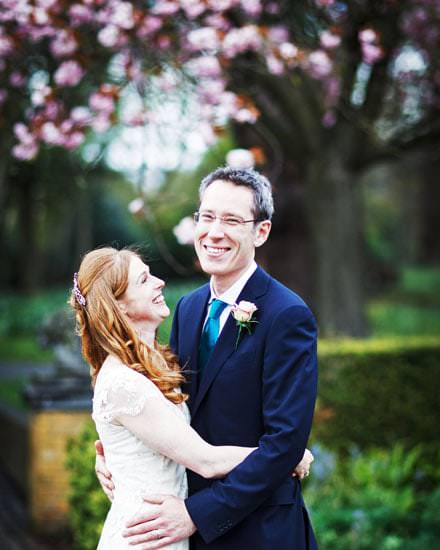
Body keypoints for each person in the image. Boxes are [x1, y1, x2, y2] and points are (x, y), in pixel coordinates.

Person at [96, 167, 318, 549]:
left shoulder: (287, 315)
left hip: (259, 531)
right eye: (207, 216)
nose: (214, 232)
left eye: (232, 220)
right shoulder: (188, 308)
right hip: (181, 528)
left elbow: (284, 442)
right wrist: (112, 454)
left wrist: (198, 514)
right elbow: (163, 400)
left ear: (260, 232)